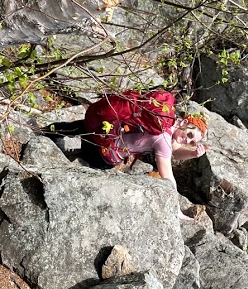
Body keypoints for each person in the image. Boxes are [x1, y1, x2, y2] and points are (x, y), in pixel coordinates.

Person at [73, 89, 209, 221]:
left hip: (102, 130)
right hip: (102, 156)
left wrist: (192, 153)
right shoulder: (164, 141)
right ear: (184, 122)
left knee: (71, 128)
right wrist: (177, 211)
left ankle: (54, 132)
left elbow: (173, 152)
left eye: (192, 142)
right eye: (190, 135)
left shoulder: (164, 118)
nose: (187, 140)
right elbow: (168, 178)